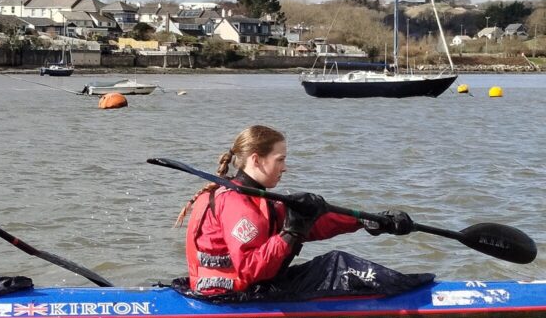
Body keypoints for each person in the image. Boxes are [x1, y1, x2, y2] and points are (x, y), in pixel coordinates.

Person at [175, 124, 427, 300]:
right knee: (338, 265)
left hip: (240, 288)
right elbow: (250, 269)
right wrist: (291, 233)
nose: (285, 167)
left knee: (334, 261)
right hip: (228, 295)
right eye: (280, 159)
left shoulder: (256, 196)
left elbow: (315, 223)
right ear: (256, 159)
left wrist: (368, 220)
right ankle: (415, 295)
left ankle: (405, 288)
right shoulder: (237, 203)